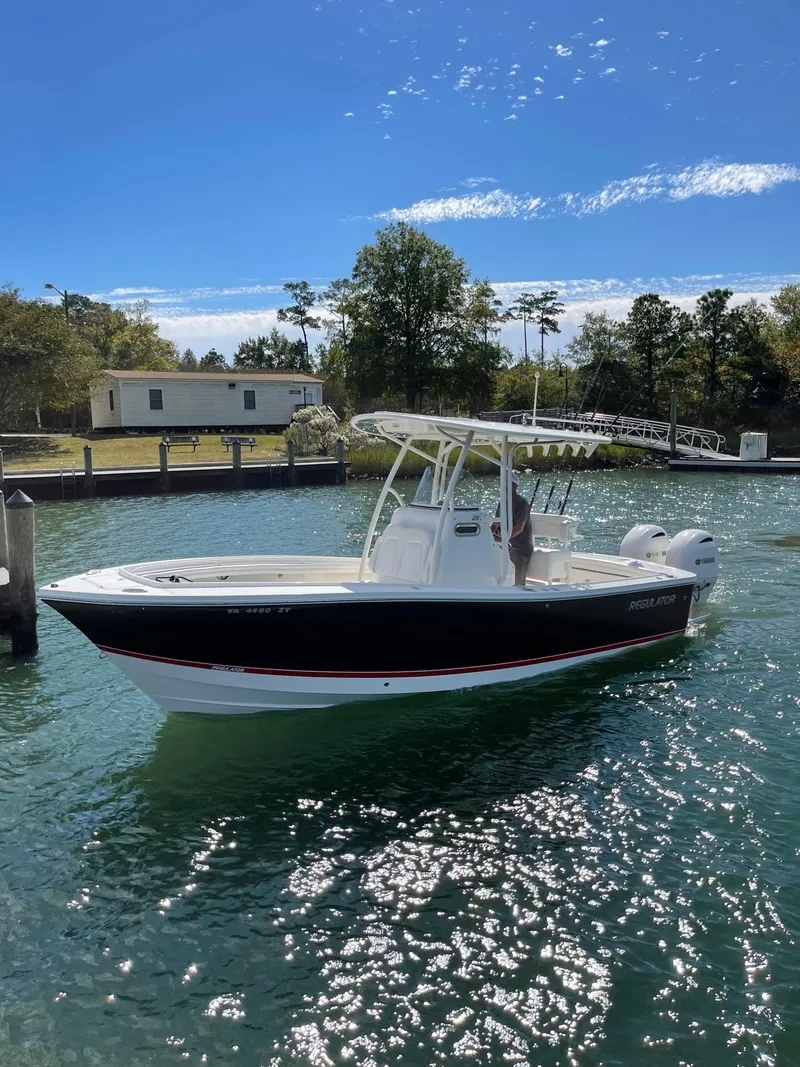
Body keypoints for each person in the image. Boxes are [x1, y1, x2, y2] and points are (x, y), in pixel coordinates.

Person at [491, 472, 533, 586]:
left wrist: (504, 539)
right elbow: (495, 524)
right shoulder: (502, 503)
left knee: (517, 582)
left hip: (520, 548)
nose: (502, 487)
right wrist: (488, 537)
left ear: (514, 486)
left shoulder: (521, 503)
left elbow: (519, 527)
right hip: (505, 546)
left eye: (505, 484)